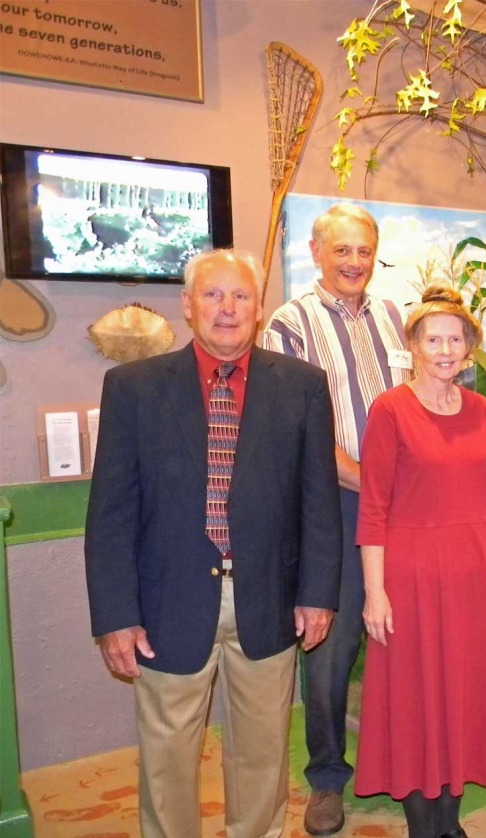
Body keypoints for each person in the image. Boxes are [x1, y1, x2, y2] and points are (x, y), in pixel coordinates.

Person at [85, 249, 342, 837]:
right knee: (167, 758)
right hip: (166, 604)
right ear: (187, 304)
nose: (227, 309)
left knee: (262, 753)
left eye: (241, 297)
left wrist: (317, 594)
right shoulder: (133, 388)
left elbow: (318, 503)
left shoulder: (302, 386)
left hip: (269, 599)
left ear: (258, 309)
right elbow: (111, 515)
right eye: (212, 295)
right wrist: (116, 616)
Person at [262, 203, 410, 835]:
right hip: (337, 506)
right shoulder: (288, 325)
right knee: (330, 646)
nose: (355, 263)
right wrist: (376, 483)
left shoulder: (393, 317)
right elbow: (295, 433)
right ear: (317, 253)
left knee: (404, 641)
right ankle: (326, 778)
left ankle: (406, 765)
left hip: (406, 507)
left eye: (364, 251)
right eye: (342, 250)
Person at [354, 285, 486, 838]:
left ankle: (450, 820)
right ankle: (424, 825)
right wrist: (375, 593)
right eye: (434, 339)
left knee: (460, 692)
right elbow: (373, 507)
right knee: (415, 696)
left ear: (468, 348)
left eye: (455, 340)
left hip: (472, 573)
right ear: (415, 347)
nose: (445, 349)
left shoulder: (480, 410)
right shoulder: (391, 410)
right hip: (411, 575)